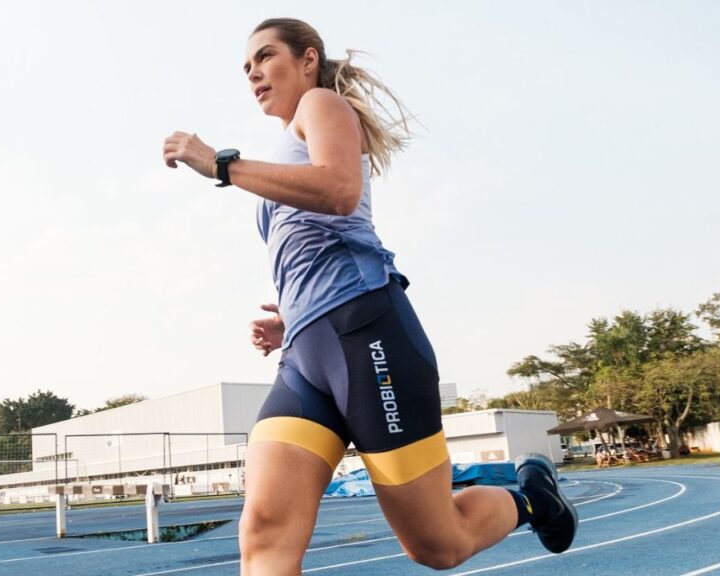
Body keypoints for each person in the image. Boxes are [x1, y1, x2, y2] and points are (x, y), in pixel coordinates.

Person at [163, 18, 577, 575]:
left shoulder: (321, 105)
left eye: (265, 57)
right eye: (246, 67)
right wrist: (295, 318)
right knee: (264, 529)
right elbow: (315, 246)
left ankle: (530, 500)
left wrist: (221, 164)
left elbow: (338, 190)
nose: (254, 73)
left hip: (368, 335)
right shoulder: (285, 146)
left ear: (308, 59)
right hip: (307, 360)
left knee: (438, 545)